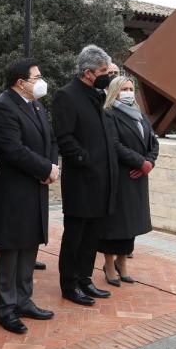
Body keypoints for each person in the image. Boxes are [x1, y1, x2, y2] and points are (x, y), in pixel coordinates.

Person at [0, 58, 59, 334]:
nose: (41, 81)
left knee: (30, 244)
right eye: (36, 77)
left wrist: (51, 168)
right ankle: (5, 307)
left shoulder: (37, 105)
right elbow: (12, 149)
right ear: (20, 82)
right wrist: (45, 169)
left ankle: (24, 299)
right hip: (14, 190)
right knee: (10, 248)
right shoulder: (4, 106)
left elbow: (51, 139)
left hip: (36, 186)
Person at [53, 45, 119, 306]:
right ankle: (69, 284)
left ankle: (85, 279)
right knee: (75, 237)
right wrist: (87, 161)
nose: (107, 75)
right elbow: (65, 138)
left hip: (102, 180)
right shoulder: (66, 96)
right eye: (103, 71)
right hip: (82, 181)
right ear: (88, 73)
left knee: (93, 235)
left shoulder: (96, 94)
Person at [98, 76, 159, 286]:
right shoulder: (109, 114)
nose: (128, 92)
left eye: (131, 88)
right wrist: (139, 162)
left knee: (131, 225)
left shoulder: (139, 115)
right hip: (120, 177)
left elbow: (153, 142)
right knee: (115, 225)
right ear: (115, 90)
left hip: (138, 177)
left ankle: (122, 263)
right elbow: (114, 145)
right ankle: (108, 263)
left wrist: (147, 163)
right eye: (124, 88)